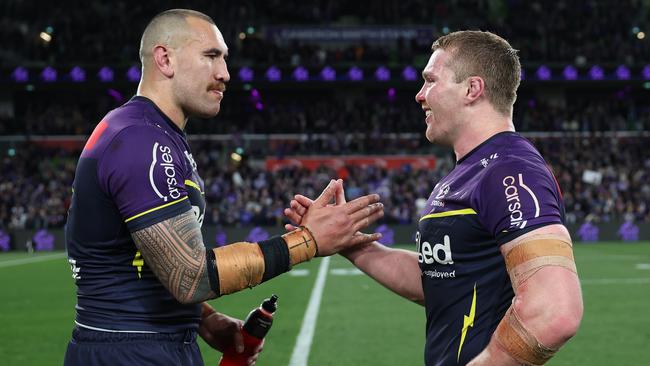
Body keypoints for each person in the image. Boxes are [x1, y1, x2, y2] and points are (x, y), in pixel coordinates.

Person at [63, 9, 383, 366]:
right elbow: (188, 276)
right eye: (211, 56)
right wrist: (306, 241)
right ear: (164, 58)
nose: (225, 74)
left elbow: (143, 261)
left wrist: (204, 319)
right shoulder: (141, 140)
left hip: (143, 343)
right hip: (129, 350)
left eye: (225, 59)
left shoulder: (150, 135)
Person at [285, 31, 583, 365]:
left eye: (430, 81)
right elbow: (443, 282)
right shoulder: (469, 172)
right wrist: (351, 243)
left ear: (472, 89)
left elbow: (555, 312)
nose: (419, 95)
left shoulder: (509, 169)